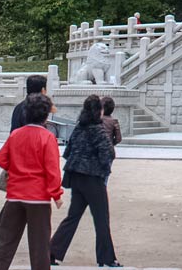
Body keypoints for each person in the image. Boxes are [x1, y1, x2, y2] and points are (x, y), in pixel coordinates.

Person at [0, 94, 63, 270]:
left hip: (15, 194)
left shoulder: (16, 134)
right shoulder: (47, 138)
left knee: (6, 243)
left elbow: (1, 158)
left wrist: (14, 167)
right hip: (38, 197)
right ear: (46, 115)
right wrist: (56, 194)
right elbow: (52, 169)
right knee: (39, 245)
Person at [49, 95, 120, 268]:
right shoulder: (97, 129)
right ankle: (106, 257)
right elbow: (108, 153)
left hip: (76, 176)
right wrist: (104, 169)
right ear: (99, 111)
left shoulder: (79, 127)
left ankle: (52, 251)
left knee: (72, 217)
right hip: (93, 177)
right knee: (101, 218)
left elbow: (68, 151)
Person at [0, 74, 50, 250]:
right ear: (43, 90)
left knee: (15, 202)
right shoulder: (34, 109)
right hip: (26, 163)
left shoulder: (20, 107)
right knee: (20, 204)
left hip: (17, 159)